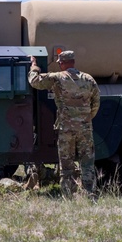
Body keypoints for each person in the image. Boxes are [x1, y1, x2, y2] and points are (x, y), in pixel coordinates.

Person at [28, 50, 101, 198]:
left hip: (66, 129)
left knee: (67, 165)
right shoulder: (88, 79)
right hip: (85, 128)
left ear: (62, 63)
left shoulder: (58, 78)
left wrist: (34, 67)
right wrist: (85, 118)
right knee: (87, 162)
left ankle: (68, 195)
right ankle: (90, 194)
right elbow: (96, 103)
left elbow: (34, 81)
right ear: (73, 62)